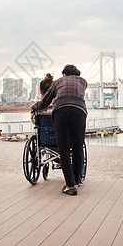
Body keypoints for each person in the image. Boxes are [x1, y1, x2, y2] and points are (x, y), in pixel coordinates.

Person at [31, 64, 87, 196]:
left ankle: (70, 185)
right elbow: (77, 96)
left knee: (64, 149)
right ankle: (77, 180)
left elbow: (45, 101)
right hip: (79, 111)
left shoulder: (58, 82)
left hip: (61, 112)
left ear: (64, 75)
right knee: (78, 147)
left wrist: (35, 106)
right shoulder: (83, 82)